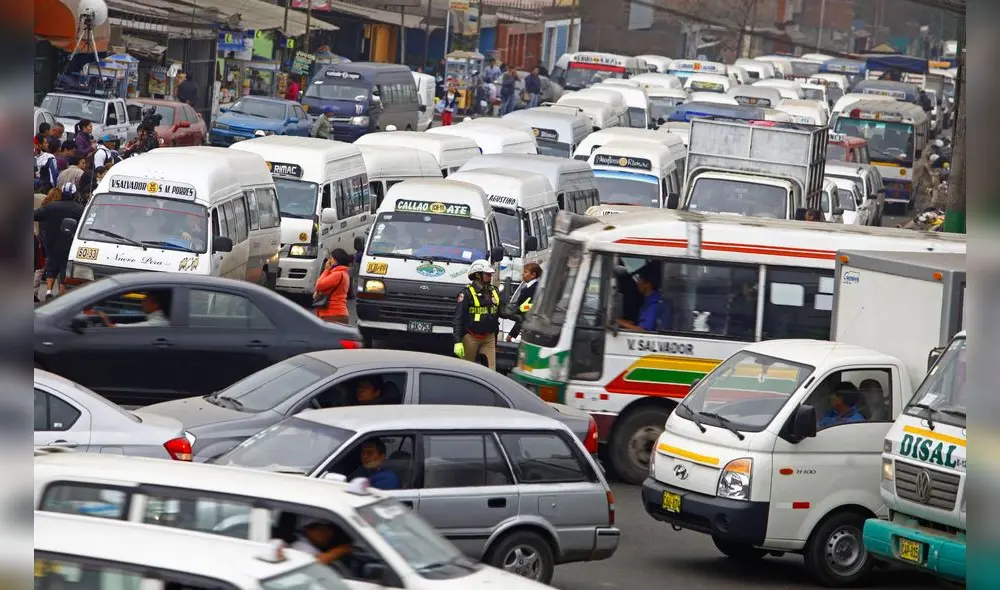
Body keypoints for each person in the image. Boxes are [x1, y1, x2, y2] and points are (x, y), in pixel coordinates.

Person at [33, 183, 84, 300]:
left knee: (51, 265)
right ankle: (61, 294)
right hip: (69, 244)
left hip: (51, 242)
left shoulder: (51, 206)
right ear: (74, 194)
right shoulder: (79, 208)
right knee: (64, 268)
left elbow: (36, 215)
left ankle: (49, 290)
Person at [453, 259, 506, 369]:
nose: (490, 276)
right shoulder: (466, 293)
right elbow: (458, 319)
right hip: (471, 337)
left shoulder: (494, 291)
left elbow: (503, 311)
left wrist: (518, 309)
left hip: (489, 337)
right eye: (487, 274)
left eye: (491, 274)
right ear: (477, 275)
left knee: (491, 371)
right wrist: (457, 342)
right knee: (467, 370)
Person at [617, 264, 666, 332]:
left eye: (640, 280)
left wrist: (619, 322)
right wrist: (618, 321)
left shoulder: (655, 304)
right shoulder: (647, 300)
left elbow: (643, 330)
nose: (637, 283)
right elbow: (637, 323)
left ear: (647, 284)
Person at [313, 248, 351, 324]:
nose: (328, 261)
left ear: (336, 260)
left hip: (333, 314)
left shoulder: (337, 274)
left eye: (330, 258)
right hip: (336, 314)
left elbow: (319, 285)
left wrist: (326, 270)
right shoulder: (342, 273)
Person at [506, 262, 541, 342]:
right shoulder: (532, 287)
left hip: (528, 331)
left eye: (525, 272)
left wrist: (511, 334)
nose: (522, 274)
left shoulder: (530, 290)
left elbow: (524, 315)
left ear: (533, 275)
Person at [96, 292, 170, 328]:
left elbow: (130, 328)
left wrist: (106, 321)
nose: (142, 303)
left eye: (146, 301)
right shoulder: (158, 319)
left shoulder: (158, 323)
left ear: (156, 305)